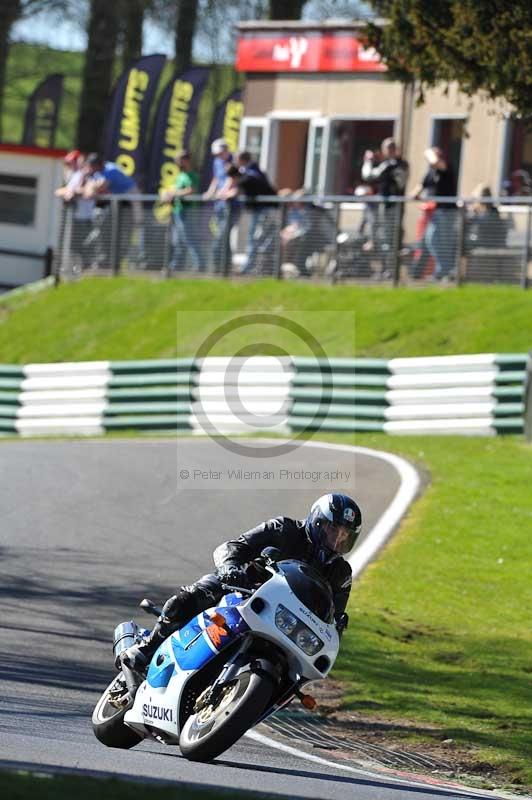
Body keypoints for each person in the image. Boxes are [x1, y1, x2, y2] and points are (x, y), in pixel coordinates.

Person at [121, 493, 362, 680]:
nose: (338, 541)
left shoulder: (341, 574)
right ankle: (148, 647)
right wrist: (230, 568)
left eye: (345, 536)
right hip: (243, 589)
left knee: (295, 674)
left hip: (286, 620)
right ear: (318, 521)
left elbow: (334, 616)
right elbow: (233, 546)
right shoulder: (283, 529)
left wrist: (335, 632)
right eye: (333, 531)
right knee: (191, 597)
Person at [222, 151, 277, 274]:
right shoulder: (248, 172)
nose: (235, 162)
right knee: (257, 239)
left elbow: (244, 184)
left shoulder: (251, 172)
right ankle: (255, 267)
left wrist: (232, 191)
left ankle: (250, 268)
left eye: (237, 159)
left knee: (256, 239)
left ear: (242, 160)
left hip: (264, 211)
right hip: (261, 211)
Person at [362, 138, 409, 277]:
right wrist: (369, 161)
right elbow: (369, 176)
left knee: (391, 239)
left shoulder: (399, 164)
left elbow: (370, 175)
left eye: (391, 148)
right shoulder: (386, 164)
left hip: (393, 207)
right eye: (387, 149)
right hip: (383, 206)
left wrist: (370, 162)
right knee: (382, 238)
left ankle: (391, 270)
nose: (389, 151)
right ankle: (385, 269)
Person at [411, 147, 457, 280]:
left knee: (437, 240)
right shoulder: (430, 172)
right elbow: (420, 187)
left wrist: (428, 152)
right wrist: (415, 196)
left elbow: (436, 161)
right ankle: (417, 273)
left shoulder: (446, 167)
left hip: (447, 211)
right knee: (427, 241)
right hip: (435, 212)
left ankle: (444, 272)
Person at [161, 150, 203, 271]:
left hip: (187, 211)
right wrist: (167, 193)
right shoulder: (180, 175)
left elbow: (191, 190)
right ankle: (176, 266)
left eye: (179, 161)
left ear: (186, 160)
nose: (177, 164)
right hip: (177, 210)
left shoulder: (192, 175)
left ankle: (199, 264)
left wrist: (174, 193)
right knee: (177, 240)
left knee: (189, 238)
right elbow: (174, 188)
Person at [203, 138, 235, 272]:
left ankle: (217, 264)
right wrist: (210, 192)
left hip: (230, 204)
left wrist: (222, 192)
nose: (219, 156)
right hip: (219, 205)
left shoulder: (233, 161)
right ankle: (225, 265)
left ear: (226, 150)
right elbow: (216, 178)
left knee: (222, 234)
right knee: (224, 236)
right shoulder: (217, 162)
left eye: (220, 153)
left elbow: (232, 179)